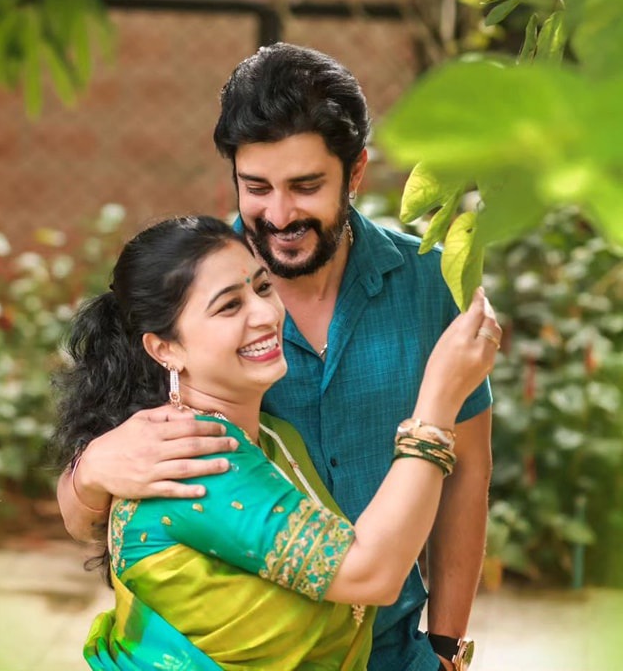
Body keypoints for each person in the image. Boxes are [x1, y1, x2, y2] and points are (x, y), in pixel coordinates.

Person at [57, 44, 494, 671]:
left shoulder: (430, 284)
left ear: (355, 172)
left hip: (399, 649)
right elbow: (94, 519)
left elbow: (468, 473)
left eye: (306, 186)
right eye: (256, 187)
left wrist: (446, 645)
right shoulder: (193, 296)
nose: (280, 214)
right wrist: (92, 470)